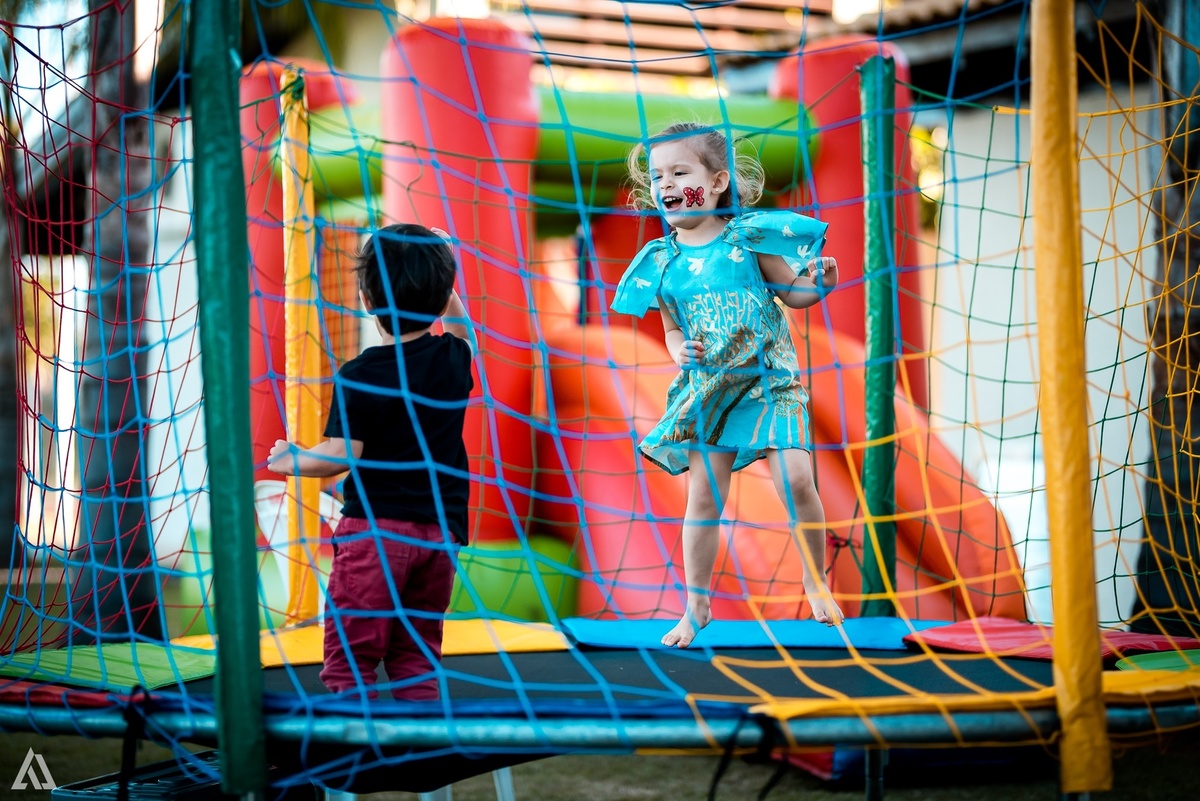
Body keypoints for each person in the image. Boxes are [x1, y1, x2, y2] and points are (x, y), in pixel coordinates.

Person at [611, 122, 845, 648]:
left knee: (798, 481)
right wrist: (677, 350)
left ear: (717, 182)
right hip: (711, 392)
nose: (666, 184)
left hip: (770, 382)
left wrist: (820, 283)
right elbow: (671, 326)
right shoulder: (662, 261)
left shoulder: (748, 237)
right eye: (658, 176)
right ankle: (695, 607)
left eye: (680, 171)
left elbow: (794, 293)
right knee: (703, 499)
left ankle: (815, 580)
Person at [268, 222, 475, 698]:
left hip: (376, 535)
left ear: (365, 300)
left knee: (351, 658)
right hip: (440, 535)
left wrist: (292, 459)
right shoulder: (452, 359)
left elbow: (340, 457)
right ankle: (419, 756)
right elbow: (464, 333)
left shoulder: (360, 374)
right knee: (417, 655)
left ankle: (354, 762)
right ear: (442, 297)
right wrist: (446, 286)